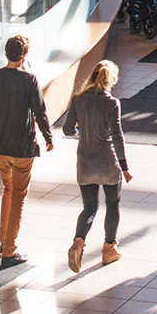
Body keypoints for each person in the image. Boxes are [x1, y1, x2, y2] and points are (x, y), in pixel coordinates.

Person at [0, 35, 54, 267]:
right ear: (23, 56)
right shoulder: (29, 79)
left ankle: (3, 240)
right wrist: (48, 137)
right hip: (22, 148)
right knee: (18, 196)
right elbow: (40, 111)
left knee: (7, 189)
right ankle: (9, 251)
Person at [62, 60, 132, 272]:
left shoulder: (78, 100)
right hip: (107, 162)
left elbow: (67, 130)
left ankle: (78, 242)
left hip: (85, 161)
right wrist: (124, 166)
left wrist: (81, 133)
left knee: (90, 207)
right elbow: (117, 137)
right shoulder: (111, 103)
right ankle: (109, 248)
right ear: (111, 80)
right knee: (112, 205)